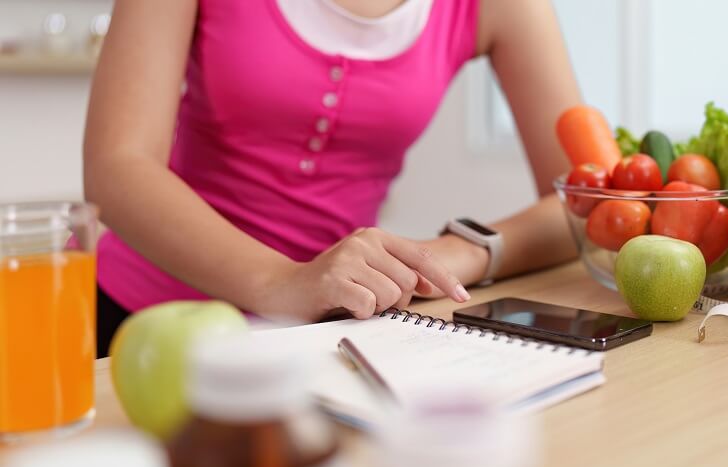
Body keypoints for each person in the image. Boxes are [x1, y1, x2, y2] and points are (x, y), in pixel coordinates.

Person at [84, 0, 580, 357]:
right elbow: (117, 167)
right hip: (136, 323)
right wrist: (281, 281)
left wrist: (455, 253)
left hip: (326, 337)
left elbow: (581, 203)